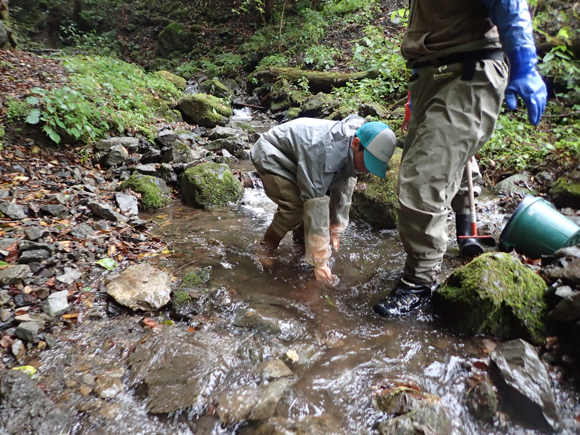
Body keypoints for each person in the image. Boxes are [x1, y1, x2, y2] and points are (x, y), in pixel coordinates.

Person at [374, 0, 547, 317]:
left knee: (422, 176)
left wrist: (525, 65)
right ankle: (464, 225)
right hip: (430, 75)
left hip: (469, 71)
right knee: (442, 160)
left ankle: (419, 283)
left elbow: (507, 3)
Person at [251, 115, 397, 282]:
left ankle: (301, 249)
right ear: (356, 144)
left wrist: (333, 229)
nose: (366, 170)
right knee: (295, 208)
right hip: (273, 154)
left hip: (300, 159)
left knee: (309, 222)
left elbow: (343, 186)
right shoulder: (327, 153)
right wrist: (320, 262)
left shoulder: (356, 143)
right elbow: (315, 202)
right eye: (367, 163)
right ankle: (265, 246)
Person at [402, 92, 486, 258]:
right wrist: (408, 115)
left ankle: (466, 234)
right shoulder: (428, 72)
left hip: (460, 122)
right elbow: (415, 91)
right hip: (433, 128)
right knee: (437, 183)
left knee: (464, 179)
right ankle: (436, 239)